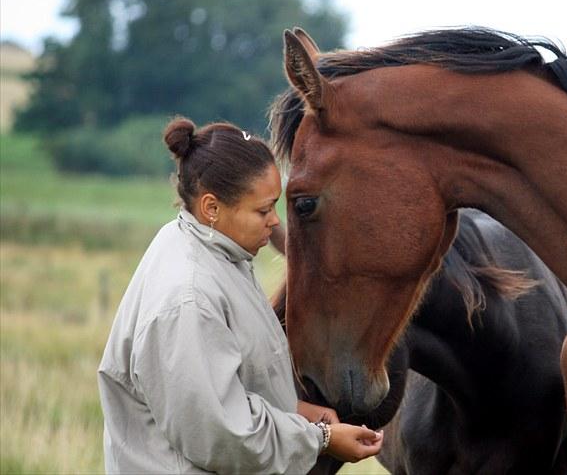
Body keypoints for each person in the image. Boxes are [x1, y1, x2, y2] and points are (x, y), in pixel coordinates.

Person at [97, 117, 383, 474]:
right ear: (212, 208)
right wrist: (320, 439)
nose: (275, 222)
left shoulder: (211, 248)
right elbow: (224, 435)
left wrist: (294, 411)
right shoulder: (190, 300)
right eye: (263, 210)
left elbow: (225, 387)